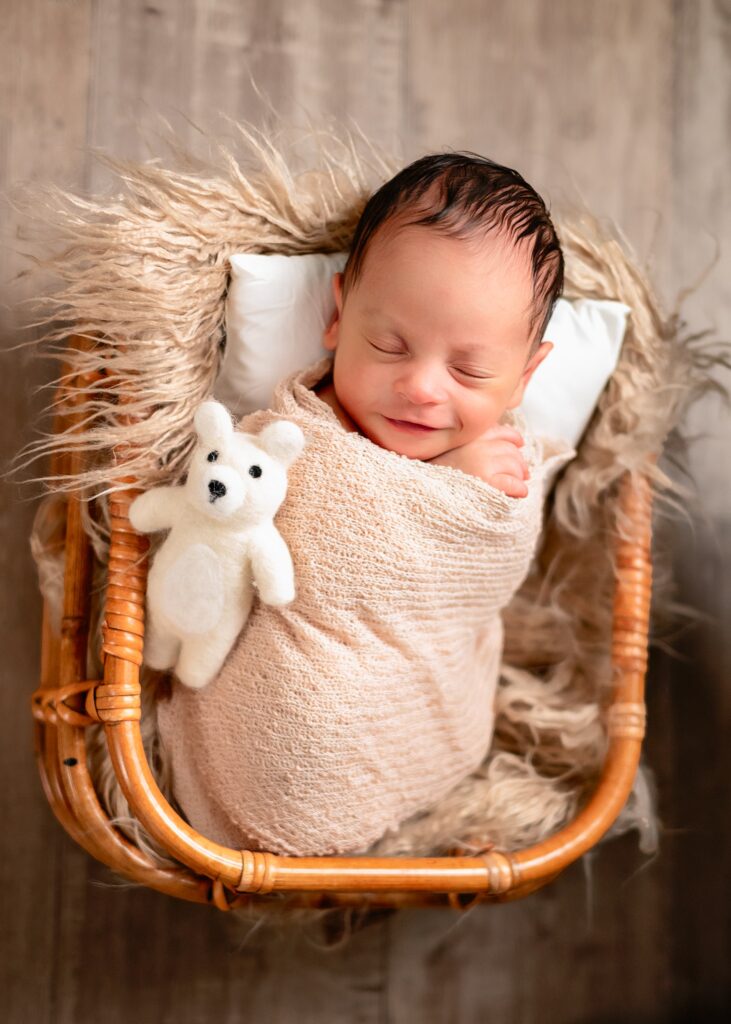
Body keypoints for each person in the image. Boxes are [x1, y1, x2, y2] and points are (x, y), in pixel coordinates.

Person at [314, 151, 562, 498]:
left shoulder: (513, 454)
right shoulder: (306, 432)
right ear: (339, 317)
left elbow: (513, 542)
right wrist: (445, 482)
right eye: (389, 346)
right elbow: (311, 519)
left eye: (469, 370)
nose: (421, 389)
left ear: (524, 376)